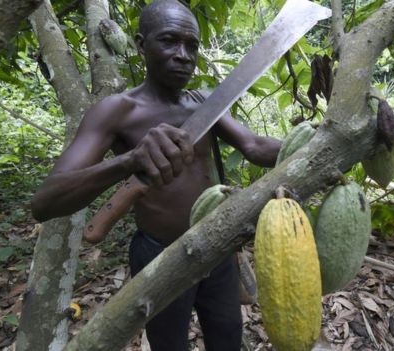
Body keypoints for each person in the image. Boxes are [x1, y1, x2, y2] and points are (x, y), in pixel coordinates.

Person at [31, 0, 281, 350]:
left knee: (227, 336)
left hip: (216, 247)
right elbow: (45, 201)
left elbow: (254, 146)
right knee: (168, 343)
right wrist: (130, 160)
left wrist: (317, 136)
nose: (183, 55)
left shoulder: (204, 102)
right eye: (169, 41)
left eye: (191, 45)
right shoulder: (118, 111)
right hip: (160, 255)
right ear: (140, 43)